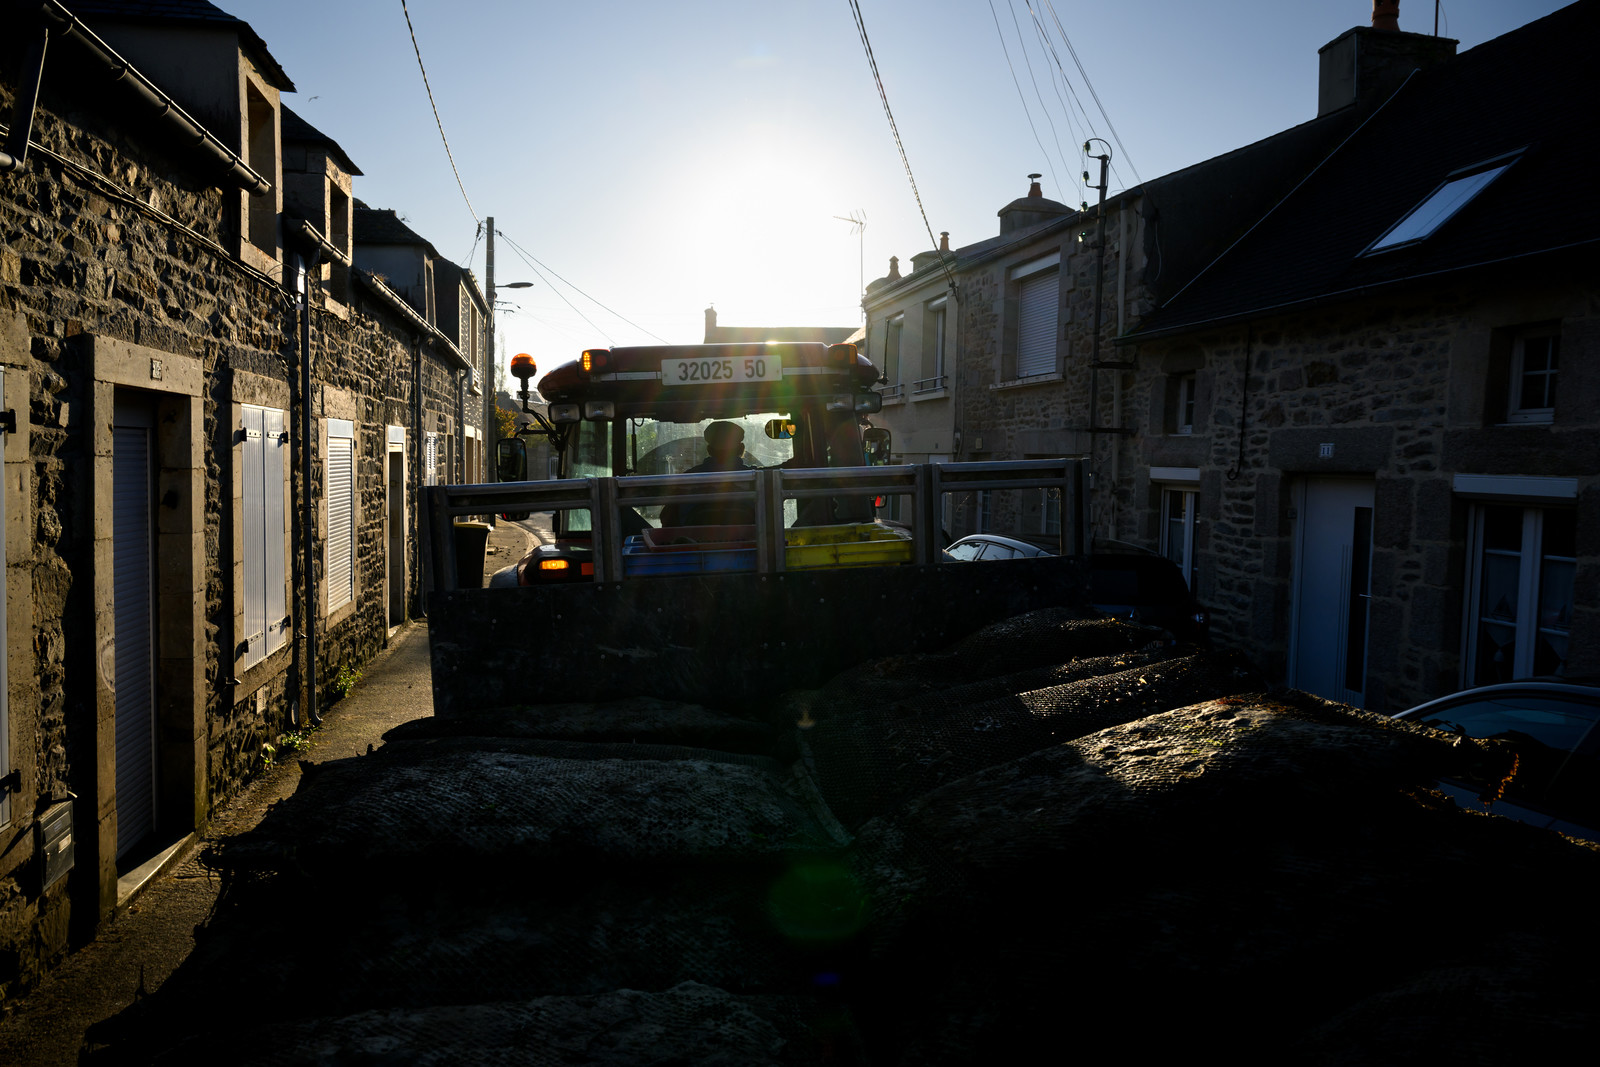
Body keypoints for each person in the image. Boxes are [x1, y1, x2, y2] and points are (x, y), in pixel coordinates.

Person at [660, 421, 755, 527]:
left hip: (694, 541)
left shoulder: (687, 479)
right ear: (741, 449)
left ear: (709, 450)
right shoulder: (757, 478)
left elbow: (667, 520)